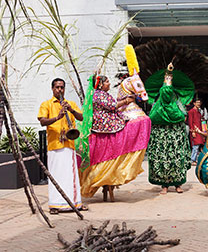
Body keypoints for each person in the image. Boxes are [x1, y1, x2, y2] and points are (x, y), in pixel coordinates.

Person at [78, 75, 150, 201]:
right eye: (107, 81)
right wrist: (126, 101)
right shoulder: (99, 95)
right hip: (105, 124)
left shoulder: (103, 94)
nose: (109, 83)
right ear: (100, 84)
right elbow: (112, 106)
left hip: (111, 120)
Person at [37, 78, 87, 214]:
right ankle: (55, 205)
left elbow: (81, 117)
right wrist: (57, 118)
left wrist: (71, 110)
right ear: (52, 89)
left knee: (71, 175)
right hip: (54, 144)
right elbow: (42, 122)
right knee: (55, 175)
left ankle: (75, 203)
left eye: (62, 87)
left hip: (69, 143)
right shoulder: (46, 104)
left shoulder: (70, 104)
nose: (60, 90)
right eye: (57, 87)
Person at [146, 63, 192, 195]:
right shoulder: (157, 103)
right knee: (161, 159)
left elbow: (182, 117)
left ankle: (178, 184)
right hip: (161, 135)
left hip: (175, 135)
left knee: (177, 159)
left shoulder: (177, 101)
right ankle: (164, 185)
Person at [187, 98, 205, 165]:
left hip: (199, 130)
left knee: (198, 145)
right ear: (194, 103)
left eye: (199, 102)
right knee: (195, 145)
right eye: (197, 102)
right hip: (195, 130)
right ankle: (192, 159)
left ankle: (194, 159)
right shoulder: (191, 111)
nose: (199, 104)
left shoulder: (198, 112)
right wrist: (193, 131)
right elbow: (190, 122)